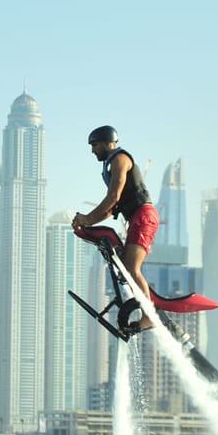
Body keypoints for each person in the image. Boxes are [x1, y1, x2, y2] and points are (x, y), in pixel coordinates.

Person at [71, 125, 160, 329]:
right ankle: (142, 307)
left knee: (131, 269)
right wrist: (87, 222)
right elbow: (112, 209)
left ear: (105, 143)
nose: (92, 150)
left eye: (94, 145)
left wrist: (87, 218)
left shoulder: (119, 159)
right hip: (136, 218)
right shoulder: (109, 166)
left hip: (143, 217)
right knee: (125, 268)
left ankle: (149, 316)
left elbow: (113, 197)